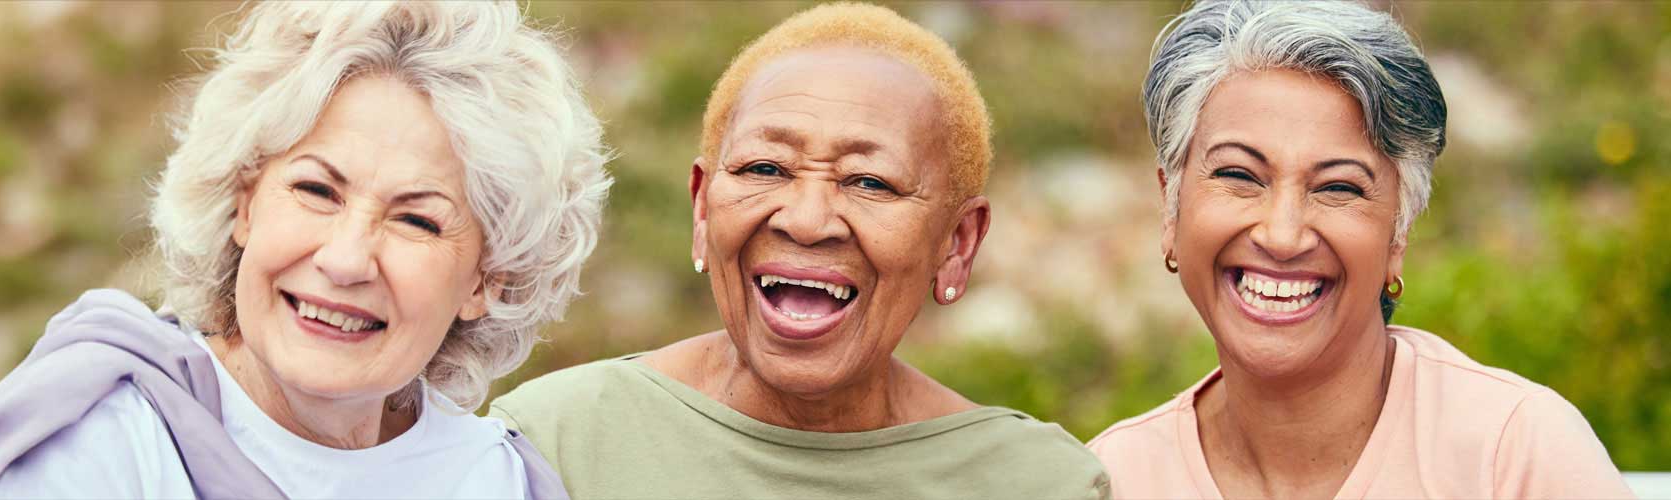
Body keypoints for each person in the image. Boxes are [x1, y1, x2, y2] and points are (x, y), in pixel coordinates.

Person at [0, 2, 611, 498]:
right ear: (244, 203)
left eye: (417, 222)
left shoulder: (498, 480)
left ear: (488, 280)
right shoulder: (98, 442)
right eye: (317, 189)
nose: (345, 260)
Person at [488, 4, 1108, 499]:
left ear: (957, 243)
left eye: (870, 181)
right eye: (765, 167)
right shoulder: (555, 443)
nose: (808, 221)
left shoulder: (1038, 483)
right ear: (703, 208)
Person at [1085, 1, 1634, 498]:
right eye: (1239, 175)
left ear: (1399, 232)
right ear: (1171, 207)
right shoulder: (1115, 477)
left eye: (1338, 188)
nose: (1282, 234)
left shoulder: (1512, 453)